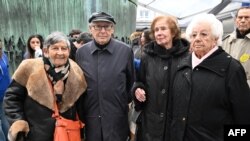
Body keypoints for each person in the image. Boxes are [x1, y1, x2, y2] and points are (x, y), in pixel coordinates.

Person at [166, 13, 250, 141]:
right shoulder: (181, 66)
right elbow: (172, 112)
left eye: (204, 34)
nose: (197, 39)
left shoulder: (231, 68)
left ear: (216, 38)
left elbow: (243, 117)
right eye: (194, 35)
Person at [3, 31, 87, 141]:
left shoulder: (76, 72)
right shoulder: (29, 67)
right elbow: (12, 98)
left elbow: (82, 108)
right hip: (35, 134)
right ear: (46, 51)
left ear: (69, 51)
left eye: (64, 48)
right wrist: (19, 123)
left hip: (67, 134)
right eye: (55, 48)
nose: (60, 52)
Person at [75, 11, 135, 141]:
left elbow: (131, 83)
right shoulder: (81, 53)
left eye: (107, 27)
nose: (103, 31)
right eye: (97, 26)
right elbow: (78, 84)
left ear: (112, 29)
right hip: (91, 117)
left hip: (116, 117)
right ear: (90, 29)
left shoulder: (125, 51)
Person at [132, 15, 190, 141]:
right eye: (156, 30)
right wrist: (137, 89)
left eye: (163, 29)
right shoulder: (147, 56)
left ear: (173, 32)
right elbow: (139, 81)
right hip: (151, 123)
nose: (159, 33)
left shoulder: (187, 56)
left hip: (176, 122)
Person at [222, 6, 250, 86]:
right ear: (235, 20)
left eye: (247, 17)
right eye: (240, 17)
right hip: (226, 89)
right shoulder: (225, 41)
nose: (243, 20)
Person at [0, 39, 10, 141]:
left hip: (4, 94)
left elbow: (7, 74)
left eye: (1, 48)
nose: (0, 50)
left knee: (5, 121)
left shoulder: (4, 57)